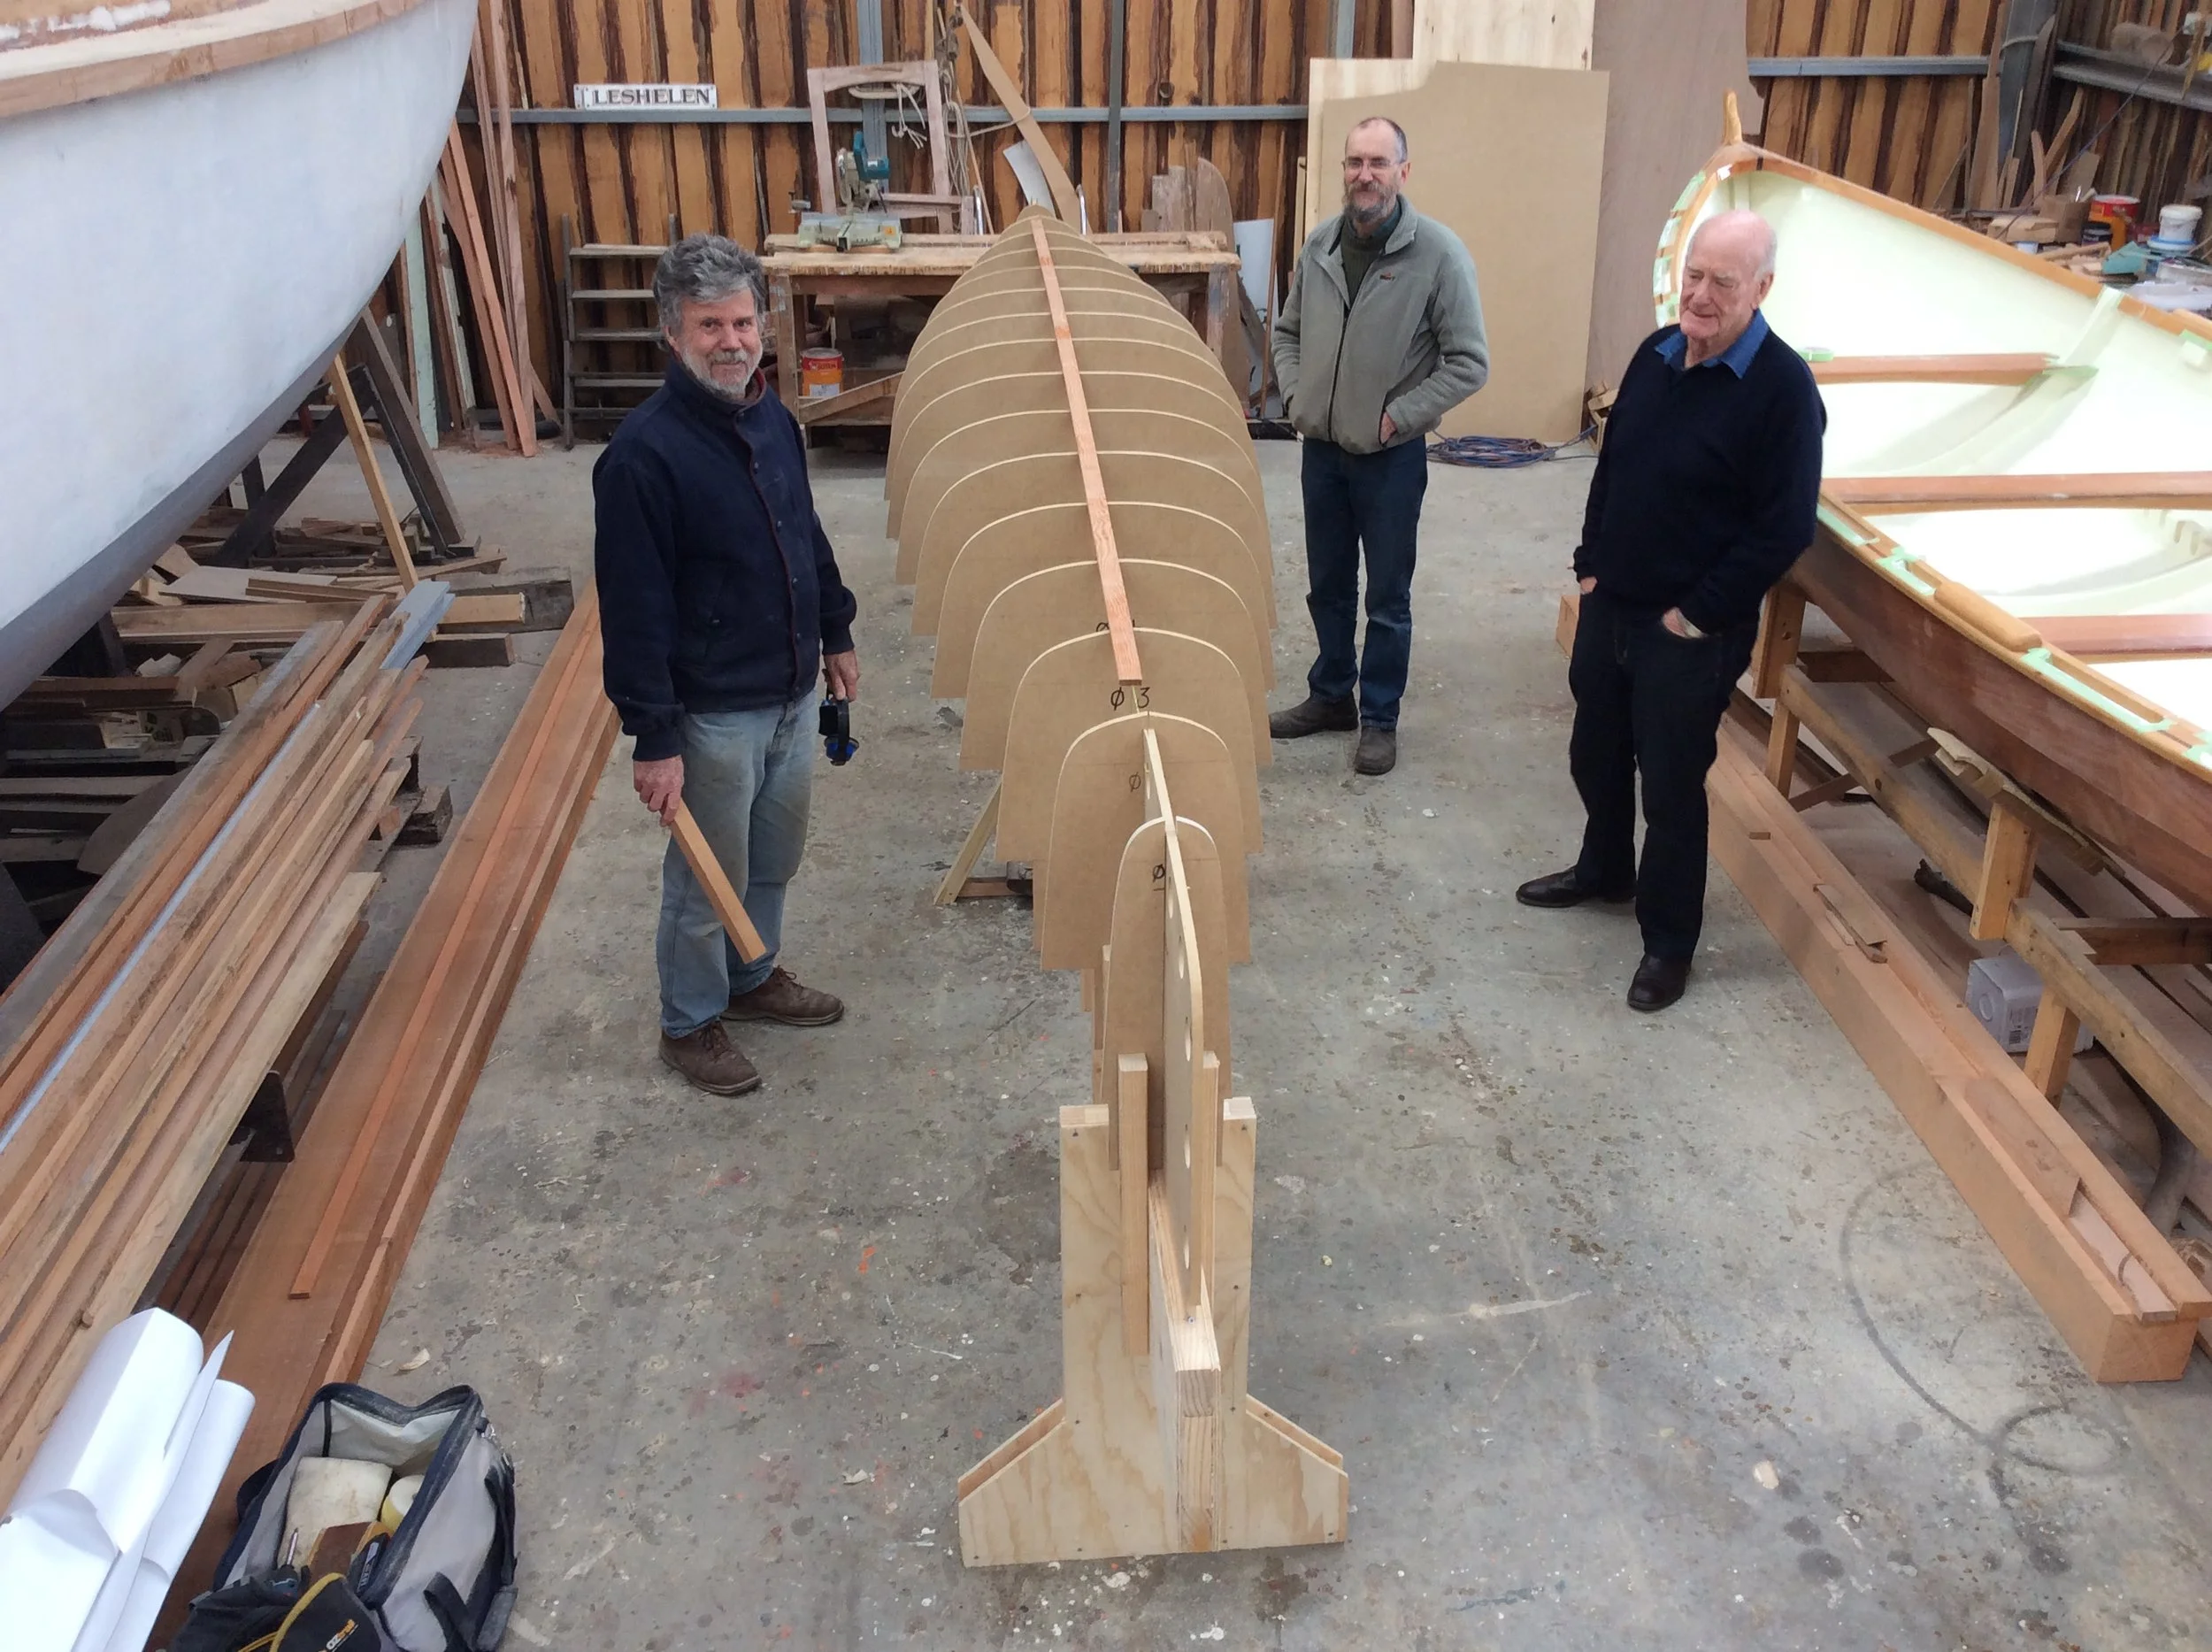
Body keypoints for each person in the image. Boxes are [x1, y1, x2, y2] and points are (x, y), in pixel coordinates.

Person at [1516, 209, 1824, 1013]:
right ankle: (1605, 869)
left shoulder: (1784, 392)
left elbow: (1785, 525)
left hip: (1689, 631)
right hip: (1612, 603)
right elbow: (1611, 467)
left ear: (1762, 289)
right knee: (1595, 751)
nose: (1701, 294)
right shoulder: (1655, 353)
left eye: (1724, 282)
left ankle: (1668, 941)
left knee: (1673, 788)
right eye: (1694, 274)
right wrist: (1589, 571)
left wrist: (1698, 615)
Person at [594, 234, 860, 1095]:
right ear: (673, 334)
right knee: (705, 879)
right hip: (713, 711)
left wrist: (839, 633)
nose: (732, 341)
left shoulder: (771, 416)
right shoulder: (642, 457)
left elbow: (804, 536)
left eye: (743, 321)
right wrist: (653, 737)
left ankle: (752, 978)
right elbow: (634, 611)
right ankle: (689, 1021)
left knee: (771, 855)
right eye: (711, 325)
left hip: (786, 692)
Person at [1268, 115, 1489, 777]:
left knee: (1386, 598)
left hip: (1390, 459)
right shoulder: (1321, 246)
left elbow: (1469, 361)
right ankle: (1332, 695)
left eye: (1378, 163)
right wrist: (1299, 395)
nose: (1364, 175)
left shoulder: (1438, 256)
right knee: (1327, 586)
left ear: (1403, 172)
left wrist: (1400, 417)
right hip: (1323, 453)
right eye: (1354, 162)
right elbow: (1285, 331)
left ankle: (1380, 718)